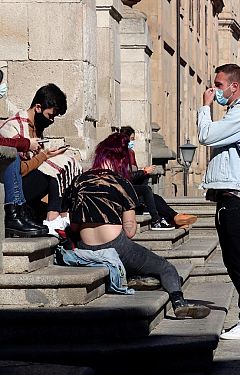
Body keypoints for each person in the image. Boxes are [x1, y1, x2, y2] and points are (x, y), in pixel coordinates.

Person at [62, 132, 210, 319]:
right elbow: (130, 231)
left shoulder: (79, 181)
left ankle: (134, 278)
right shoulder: (122, 183)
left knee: (139, 265)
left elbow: (73, 226)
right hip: (117, 246)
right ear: (121, 160)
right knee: (166, 268)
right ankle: (179, 302)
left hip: (85, 247)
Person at [198, 63, 240, 340]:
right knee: (233, 260)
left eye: (219, 85)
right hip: (228, 197)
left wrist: (205, 107)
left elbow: (206, 135)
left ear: (234, 86)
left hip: (237, 198)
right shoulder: (236, 114)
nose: (214, 90)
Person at [0, 83, 81, 236]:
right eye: (50, 116)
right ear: (38, 107)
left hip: (29, 184)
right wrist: (44, 157)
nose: (52, 120)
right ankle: (53, 219)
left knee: (68, 160)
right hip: (14, 187)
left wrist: (46, 155)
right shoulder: (13, 126)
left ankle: (62, 217)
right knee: (58, 165)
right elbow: (17, 169)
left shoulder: (36, 127)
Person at [118, 126, 197, 230]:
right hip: (124, 190)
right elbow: (125, 176)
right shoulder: (120, 155)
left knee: (156, 198)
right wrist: (144, 171)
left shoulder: (130, 153)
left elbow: (131, 174)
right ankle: (165, 219)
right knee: (148, 192)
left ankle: (173, 218)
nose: (133, 142)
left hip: (133, 189)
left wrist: (143, 172)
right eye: (132, 139)